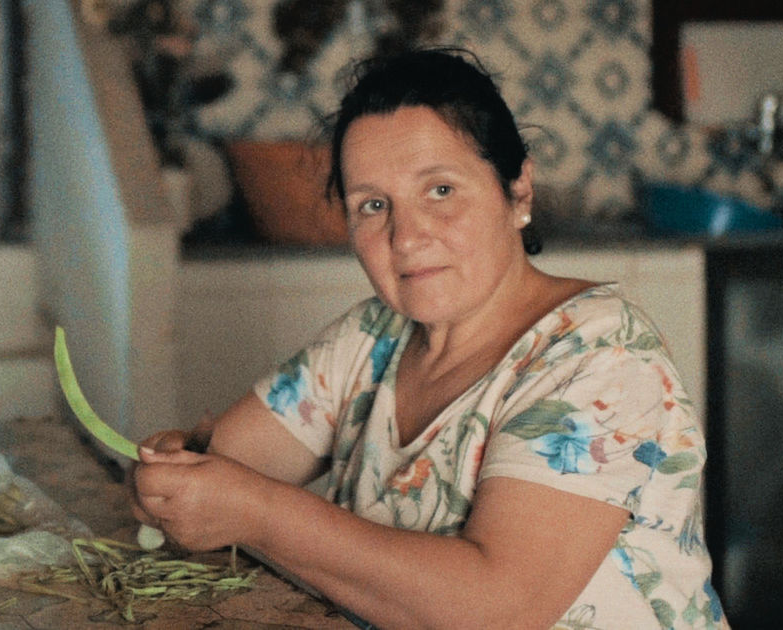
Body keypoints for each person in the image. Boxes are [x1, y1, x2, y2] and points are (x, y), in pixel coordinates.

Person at [130, 48, 728, 629]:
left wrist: (257, 513)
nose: (407, 237)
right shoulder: (371, 337)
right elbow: (222, 466)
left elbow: (499, 607)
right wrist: (174, 480)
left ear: (517, 191)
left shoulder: (603, 356)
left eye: (440, 190)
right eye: (372, 205)